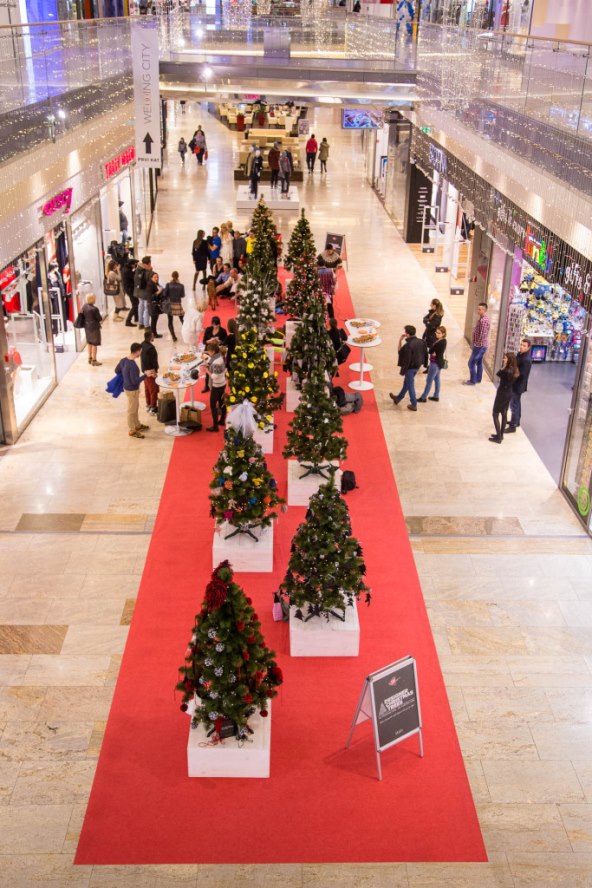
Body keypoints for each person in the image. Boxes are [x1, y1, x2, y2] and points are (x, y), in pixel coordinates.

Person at [115, 342, 155, 439]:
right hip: (132, 390)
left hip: (127, 388)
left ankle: (137, 425)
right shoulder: (132, 365)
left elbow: (117, 371)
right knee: (131, 411)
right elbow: (135, 381)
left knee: (135, 408)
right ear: (137, 351)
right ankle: (132, 431)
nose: (141, 353)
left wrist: (126, 377)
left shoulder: (123, 360)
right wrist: (146, 375)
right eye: (140, 351)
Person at [389, 324, 428, 411]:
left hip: (410, 368)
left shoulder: (408, 345)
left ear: (407, 334)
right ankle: (398, 398)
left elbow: (401, 353)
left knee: (410, 385)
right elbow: (425, 353)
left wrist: (400, 340)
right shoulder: (422, 341)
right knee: (406, 383)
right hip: (417, 366)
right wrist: (425, 364)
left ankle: (414, 404)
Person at [490, 353, 519, 444]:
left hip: (502, 394)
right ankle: (501, 435)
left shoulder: (506, 371)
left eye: (505, 358)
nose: (504, 359)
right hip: (508, 393)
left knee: (495, 414)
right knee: (504, 413)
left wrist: (504, 366)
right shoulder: (515, 370)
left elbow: (498, 373)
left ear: (509, 360)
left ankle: (498, 437)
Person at [506, 338, 532, 433]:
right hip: (516, 384)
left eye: (524, 346)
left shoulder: (526, 360)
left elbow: (521, 375)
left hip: (517, 386)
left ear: (528, 348)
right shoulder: (520, 354)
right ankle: (516, 421)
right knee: (516, 403)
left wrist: (511, 377)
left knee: (514, 405)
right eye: (521, 344)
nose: (521, 347)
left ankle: (513, 426)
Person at [418, 326, 447, 403]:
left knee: (429, 381)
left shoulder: (440, 343)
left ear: (443, 334)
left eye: (439, 333)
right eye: (436, 332)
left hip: (435, 364)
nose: (437, 334)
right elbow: (432, 351)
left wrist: (433, 350)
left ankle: (423, 397)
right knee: (437, 379)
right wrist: (433, 351)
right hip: (439, 363)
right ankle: (436, 396)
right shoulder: (443, 340)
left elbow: (430, 351)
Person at [464, 301, 490, 385]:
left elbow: (483, 335)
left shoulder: (484, 321)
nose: (478, 311)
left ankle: (473, 381)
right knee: (479, 362)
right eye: (478, 309)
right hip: (480, 345)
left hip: (480, 346)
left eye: (480, 309)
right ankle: (478, 378)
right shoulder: (482, 319)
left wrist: (476, 343)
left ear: (484, 310)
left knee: (471, 363)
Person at [204, 342, 227, 432]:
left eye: (209, 351)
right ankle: (222, 421)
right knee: (222, 403)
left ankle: (215, 426)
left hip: (217, 386)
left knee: (213, 406)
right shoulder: (219, 356)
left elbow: (215, 376)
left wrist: (207, 371)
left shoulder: (217, 362)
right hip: (222, 383)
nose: (208, 353)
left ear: (213, 351)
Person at [162, 271, 185, 342]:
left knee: (170, 321)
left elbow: (164, 294)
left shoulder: (168, 285)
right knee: (182, 320)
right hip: (178, 304)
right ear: (178, 276)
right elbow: (182, 295)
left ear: (172, 276)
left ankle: (173, 337)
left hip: (170, 304)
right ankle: (186, 333)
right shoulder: (181, 286)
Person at [140, 330, 159, 416]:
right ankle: (153, 408)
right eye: (152, 336)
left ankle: (148, 405)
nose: (153, 337)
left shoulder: (142, 345)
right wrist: (154, 371)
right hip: (151, 371)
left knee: (147, 389)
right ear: (150, 337)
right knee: (154, 390)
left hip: (145, 371)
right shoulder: (151, 348)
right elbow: (154, 361)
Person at [82, 294, 102, 366]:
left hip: (87, 327)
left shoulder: (84, 307)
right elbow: (99, 318)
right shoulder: (95, 309)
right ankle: (94, 360)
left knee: (89, 342)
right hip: (94, 327)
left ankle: (89, 357)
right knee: (94, 344)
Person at [134, 256, 152, 330]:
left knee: (140, 306)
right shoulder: (147, 271)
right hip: (145, 292)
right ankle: (146, 325)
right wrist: (150, 270)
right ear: (148, 263)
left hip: (138, 291)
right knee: (147, 308)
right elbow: (150, 281)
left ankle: (141, 323)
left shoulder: (138, 268)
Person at [147, 271, 163, 338]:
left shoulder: (154, 284)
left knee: (154, 320)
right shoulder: (150, 285)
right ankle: (154, 334)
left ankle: (153, 333)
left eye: (157, 277)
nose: (156, 278)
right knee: (153, 321)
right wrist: (158, 292)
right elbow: (150, 297)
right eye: (155, 277)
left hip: (155, 305)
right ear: (151, 278)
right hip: (152, 305)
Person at [122, 257, 138, 327]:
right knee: (135, 305)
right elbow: (134, 277)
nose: (135, 265)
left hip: (129, 289)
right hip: (130, 290)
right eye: (135, 264)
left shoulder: (125, 268)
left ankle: (136, 318)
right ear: (132, 264)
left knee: (135, 303)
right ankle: (128, 321)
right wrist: (136, 269)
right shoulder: (127, 271)